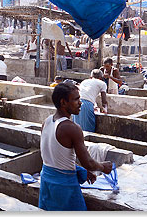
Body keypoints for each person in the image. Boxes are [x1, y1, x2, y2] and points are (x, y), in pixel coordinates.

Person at [39, 82, 112, 211]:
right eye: (76, 99)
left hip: (46, 182)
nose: (80, 102)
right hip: (64, 187)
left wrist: (81, 171)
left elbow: (56, 158)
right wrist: (103, 167)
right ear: (63, 103)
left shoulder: (47, 121)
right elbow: (88, 162)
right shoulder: (72, 128)